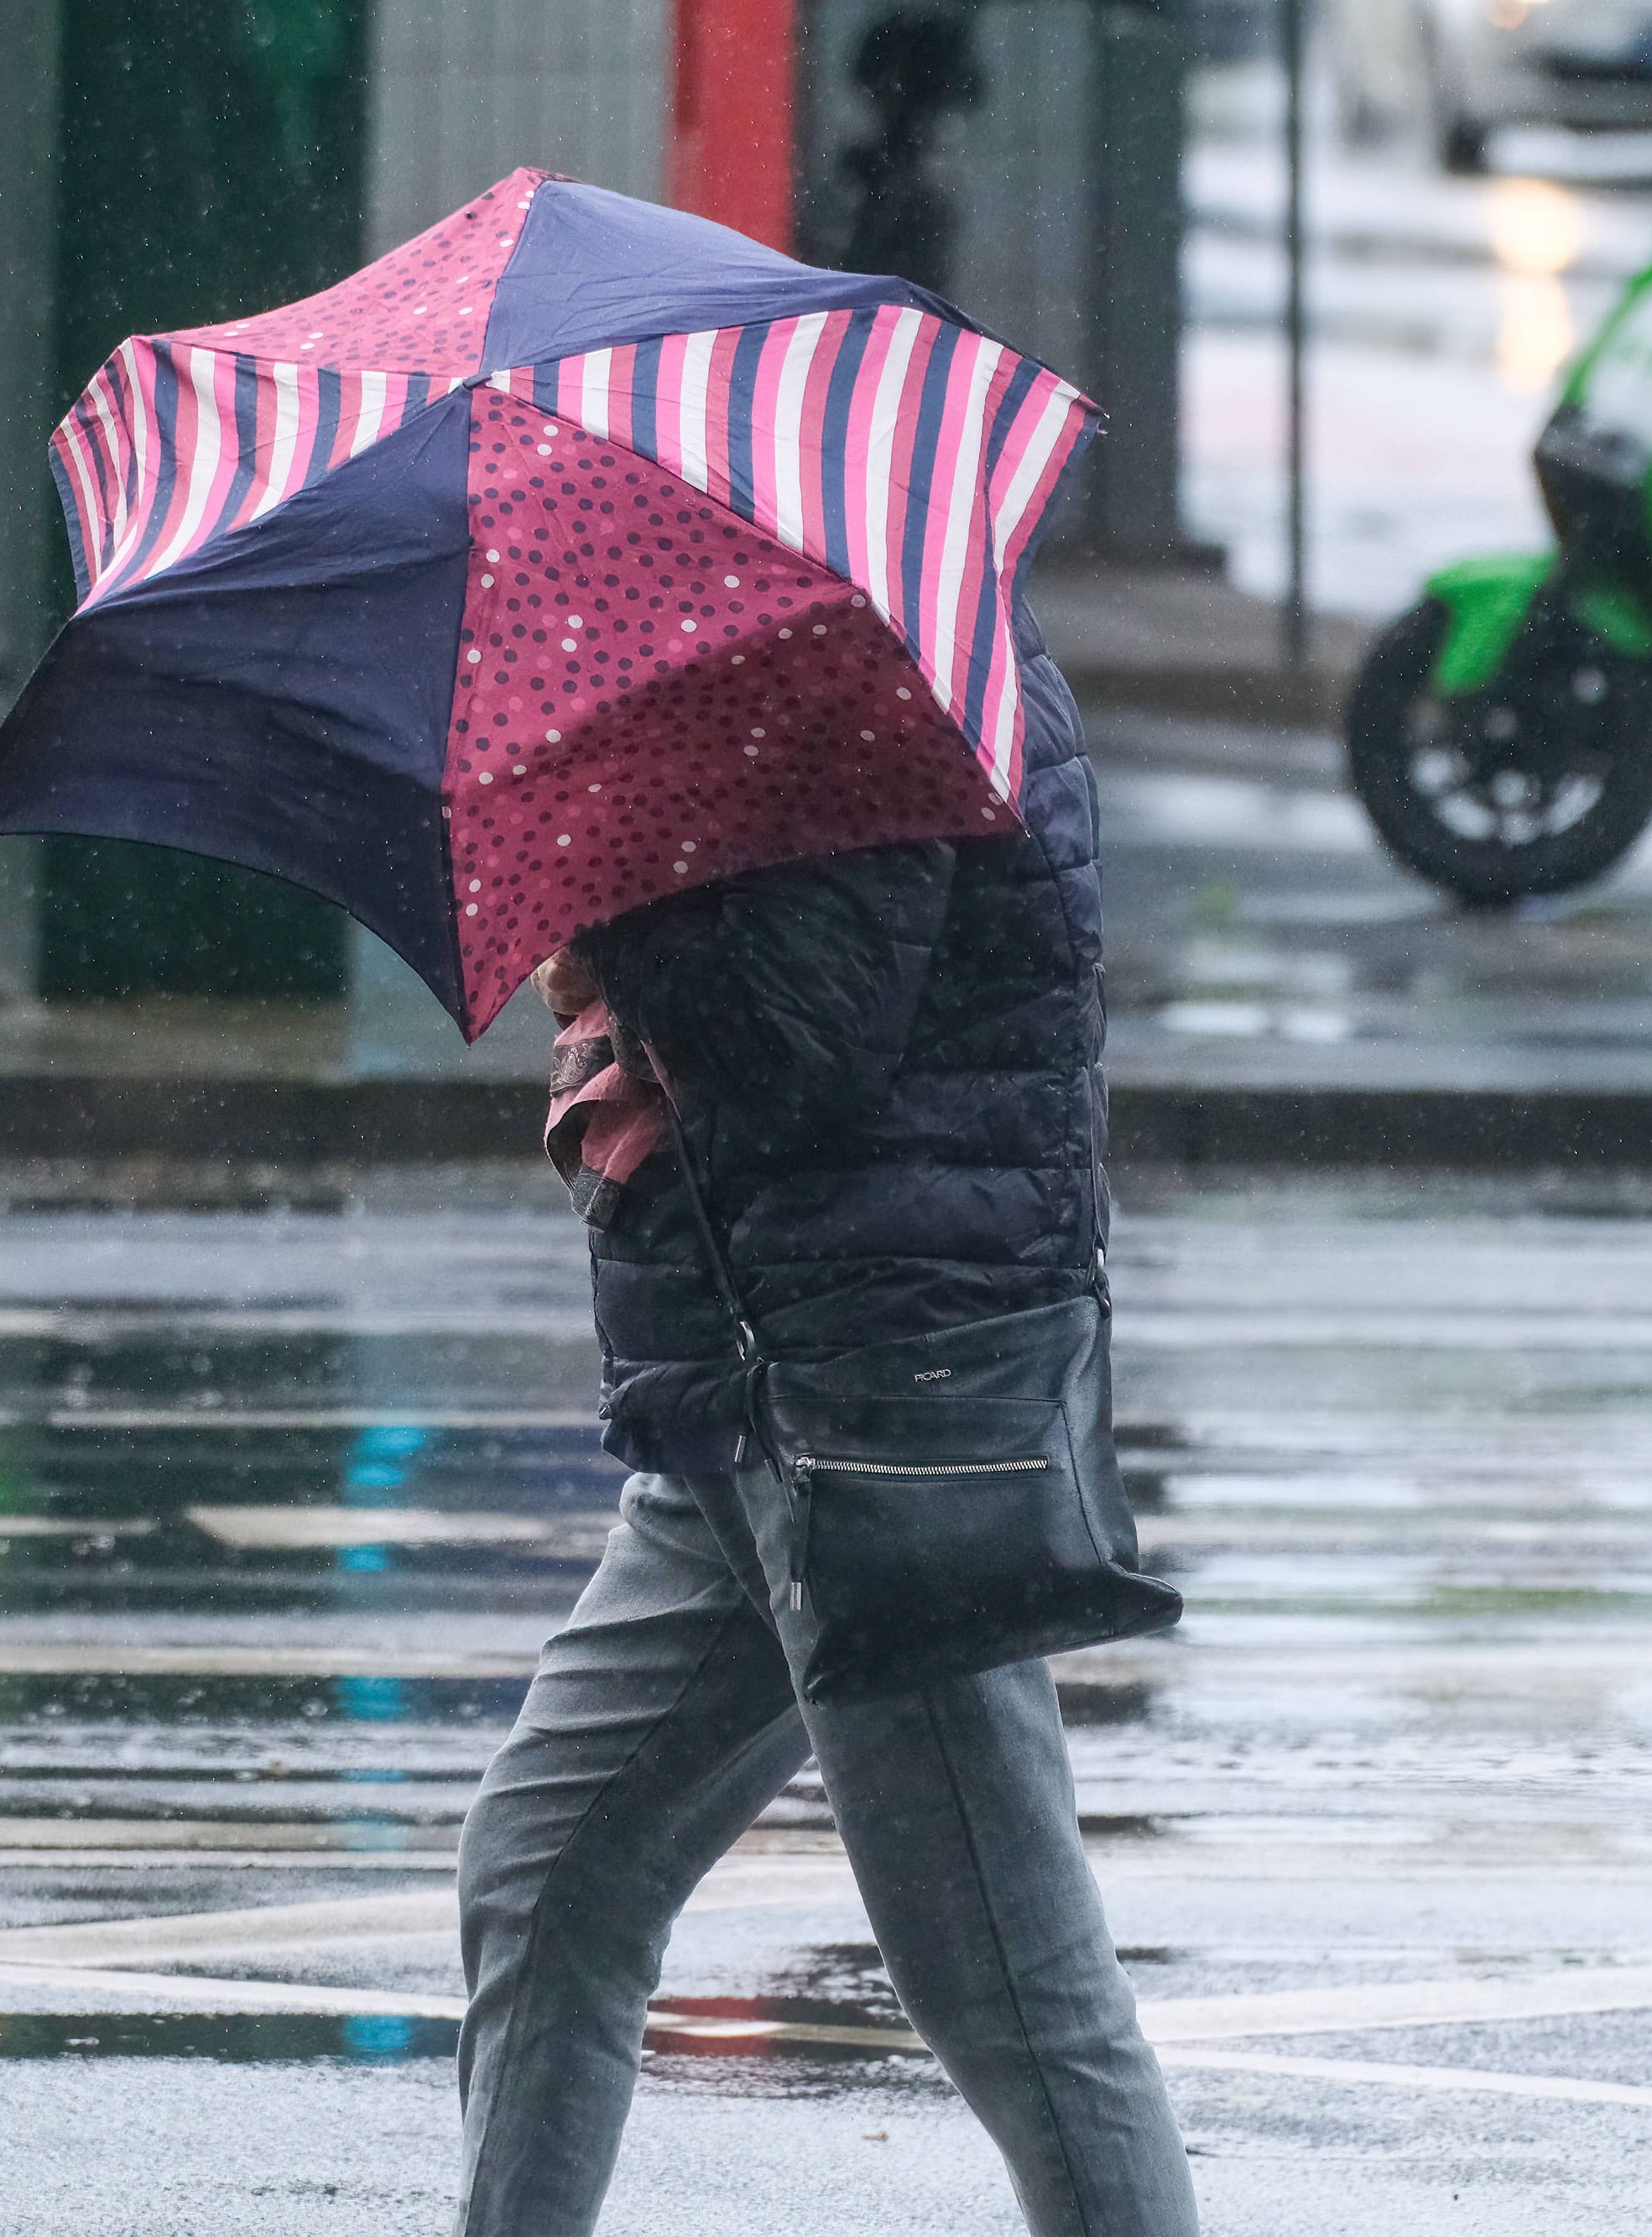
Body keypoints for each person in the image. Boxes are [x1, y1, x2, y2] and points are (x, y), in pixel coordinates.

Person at [450, 599, 1200, 2236]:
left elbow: (796, 1043)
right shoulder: (786, 667)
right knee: (548, 1873)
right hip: (748, 1390)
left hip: (875, 1412)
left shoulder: (892, 676)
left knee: (1011, 1985)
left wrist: (604, 896)